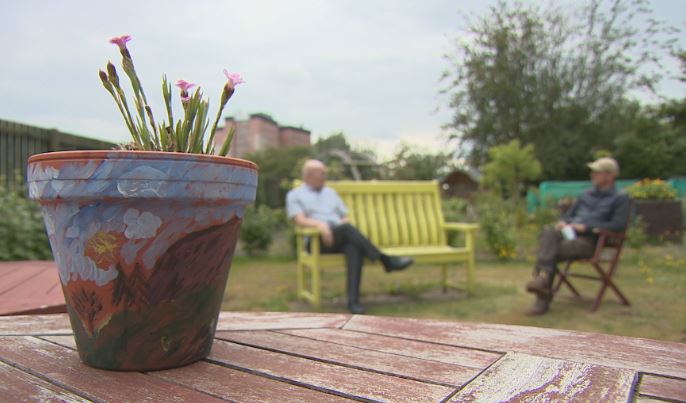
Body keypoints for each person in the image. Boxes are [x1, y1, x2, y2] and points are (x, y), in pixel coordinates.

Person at [286, 159, 414, 314]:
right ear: (309, 175)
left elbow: (344, 217)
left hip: (339, 236)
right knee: (346, 229)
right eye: (322, 173)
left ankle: (353, 303)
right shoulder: (295, 195)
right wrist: (321, 226)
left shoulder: (330, 193)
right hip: (316, 240)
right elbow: (299, 220)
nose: (325, 176)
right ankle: (385, 260)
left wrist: (337, 227)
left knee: (353, 248)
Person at [525, 157, 631, 315]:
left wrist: (587, 227)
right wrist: (563, 222)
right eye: (592, 172)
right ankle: (543, 280)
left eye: (597, 172)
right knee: (549, 231)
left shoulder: (620, 198)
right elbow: (568, 216)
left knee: (547, 252)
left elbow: (618, 225)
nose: (592, 175)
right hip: (569, 234)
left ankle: (542, 290)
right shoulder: (585, 195)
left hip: (590, 240)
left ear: (610, 175)